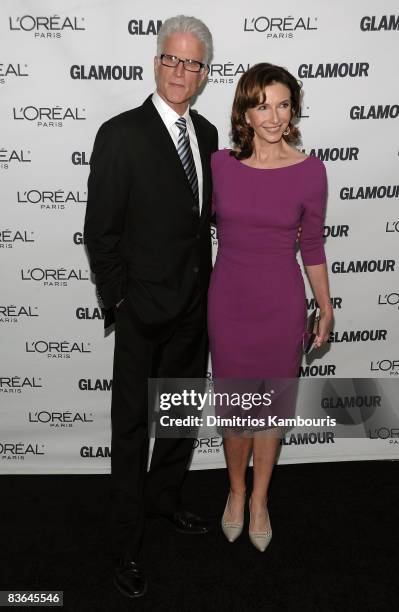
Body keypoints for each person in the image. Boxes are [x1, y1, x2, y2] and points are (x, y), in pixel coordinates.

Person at [84, 15, 218, 598]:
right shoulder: (121, 133)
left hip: (195, 307)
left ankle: (166, 501)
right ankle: (126, 544)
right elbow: (101, 235)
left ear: (205, 73)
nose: (180, 71)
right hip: (142, 313)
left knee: (181, 416)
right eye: (172, 59)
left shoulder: (209, 135)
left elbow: (199, 226)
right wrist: (121, 301)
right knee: (133, 430)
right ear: (156, 61)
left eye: (192, 63)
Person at [208, 63, 333, 551]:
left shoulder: (311, 170)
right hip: (229, 302)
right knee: (237, 409)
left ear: (293, 110)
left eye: (283, 104)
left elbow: (315, 246)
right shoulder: (220, 164)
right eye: (263, 105)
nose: (274, 116)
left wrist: (325, 306)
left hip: (281, 304)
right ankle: (235, 492)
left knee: (271, 410)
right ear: (245, 110)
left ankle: (260, 498)